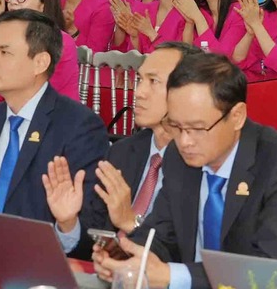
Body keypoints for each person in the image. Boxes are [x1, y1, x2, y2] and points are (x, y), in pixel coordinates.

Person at [94, 52, 277, 289]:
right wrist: (125, 259)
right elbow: (162, 235)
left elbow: (267, 266)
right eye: (176, 126)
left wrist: (172, 277)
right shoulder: (177, 156)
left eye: (197, 128)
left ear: (237, 116)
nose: (185, 141)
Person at [0, 10, 109, 247]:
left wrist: (67, 223)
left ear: (40, 62)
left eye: (4, 52)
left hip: (33, 253)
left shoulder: (78, 126)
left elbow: (91, 227)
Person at [75, 42, 192, 242]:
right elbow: (95, 234)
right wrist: (68, 223)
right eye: (140, 79)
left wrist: (131, 223)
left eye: (153, 81)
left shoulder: (199, 164)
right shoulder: (122, 152)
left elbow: (186, 251)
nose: (138, 92)